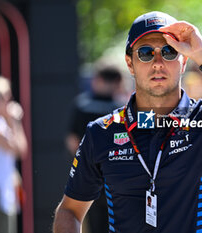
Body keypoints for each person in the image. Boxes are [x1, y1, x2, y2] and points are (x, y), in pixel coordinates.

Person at [53, 11, 202, 233]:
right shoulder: (102, 132)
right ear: (130, 63)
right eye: (146, 53)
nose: (158, 63)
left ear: (183, 61)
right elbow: (69, 211)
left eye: (169, 51)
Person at [66, 62, 125, 233]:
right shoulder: (122, 109)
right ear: (117, 82)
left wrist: (86, 164)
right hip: (118, 178)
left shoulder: (81, 105)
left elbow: (72, 141)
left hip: (88, 176)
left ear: (98, 79)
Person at [0, 76, 27, 233]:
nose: (9, 102)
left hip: (4, 192)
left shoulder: (0, 122)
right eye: (5, 97)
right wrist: (14, 120)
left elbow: (21, 150)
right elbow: (17, 149)